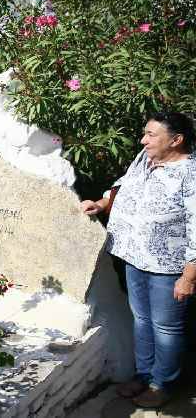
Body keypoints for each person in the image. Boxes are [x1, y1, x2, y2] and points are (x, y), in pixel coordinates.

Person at [81, 112, 196, 408]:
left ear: (176, 140)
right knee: (142, 322)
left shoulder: (190, 174)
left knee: (166, 328)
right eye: (145, 133)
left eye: (151, 134)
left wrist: (189, 276)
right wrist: (103, 202)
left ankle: (162, 383)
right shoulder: (145, 158)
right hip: (135, 257)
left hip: (168, 268)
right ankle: (144, 375)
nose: (143, 140)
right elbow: (123, 185)